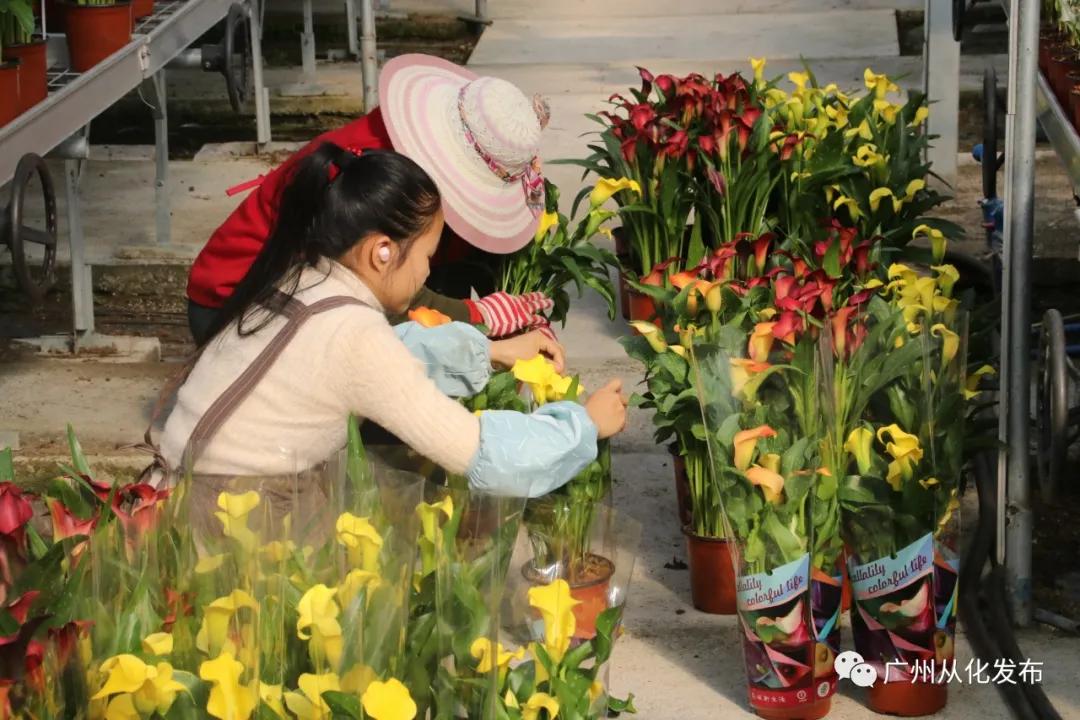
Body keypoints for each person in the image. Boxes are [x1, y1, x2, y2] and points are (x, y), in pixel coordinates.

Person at [161, 145, 628, 509]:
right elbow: (481, 454)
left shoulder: (299, 279)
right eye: (426, 256)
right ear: (382, 251)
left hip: (173, 497)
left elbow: (382, 359)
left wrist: (493, 352)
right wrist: (584, 426)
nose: (427, 273)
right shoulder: (355, 334)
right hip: (236, 525)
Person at [186, 53, 556, 346]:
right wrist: (479, 316)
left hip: (306, 288)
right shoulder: (373, 181)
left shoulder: (405, 146)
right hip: (238, 311)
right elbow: (393, 293)